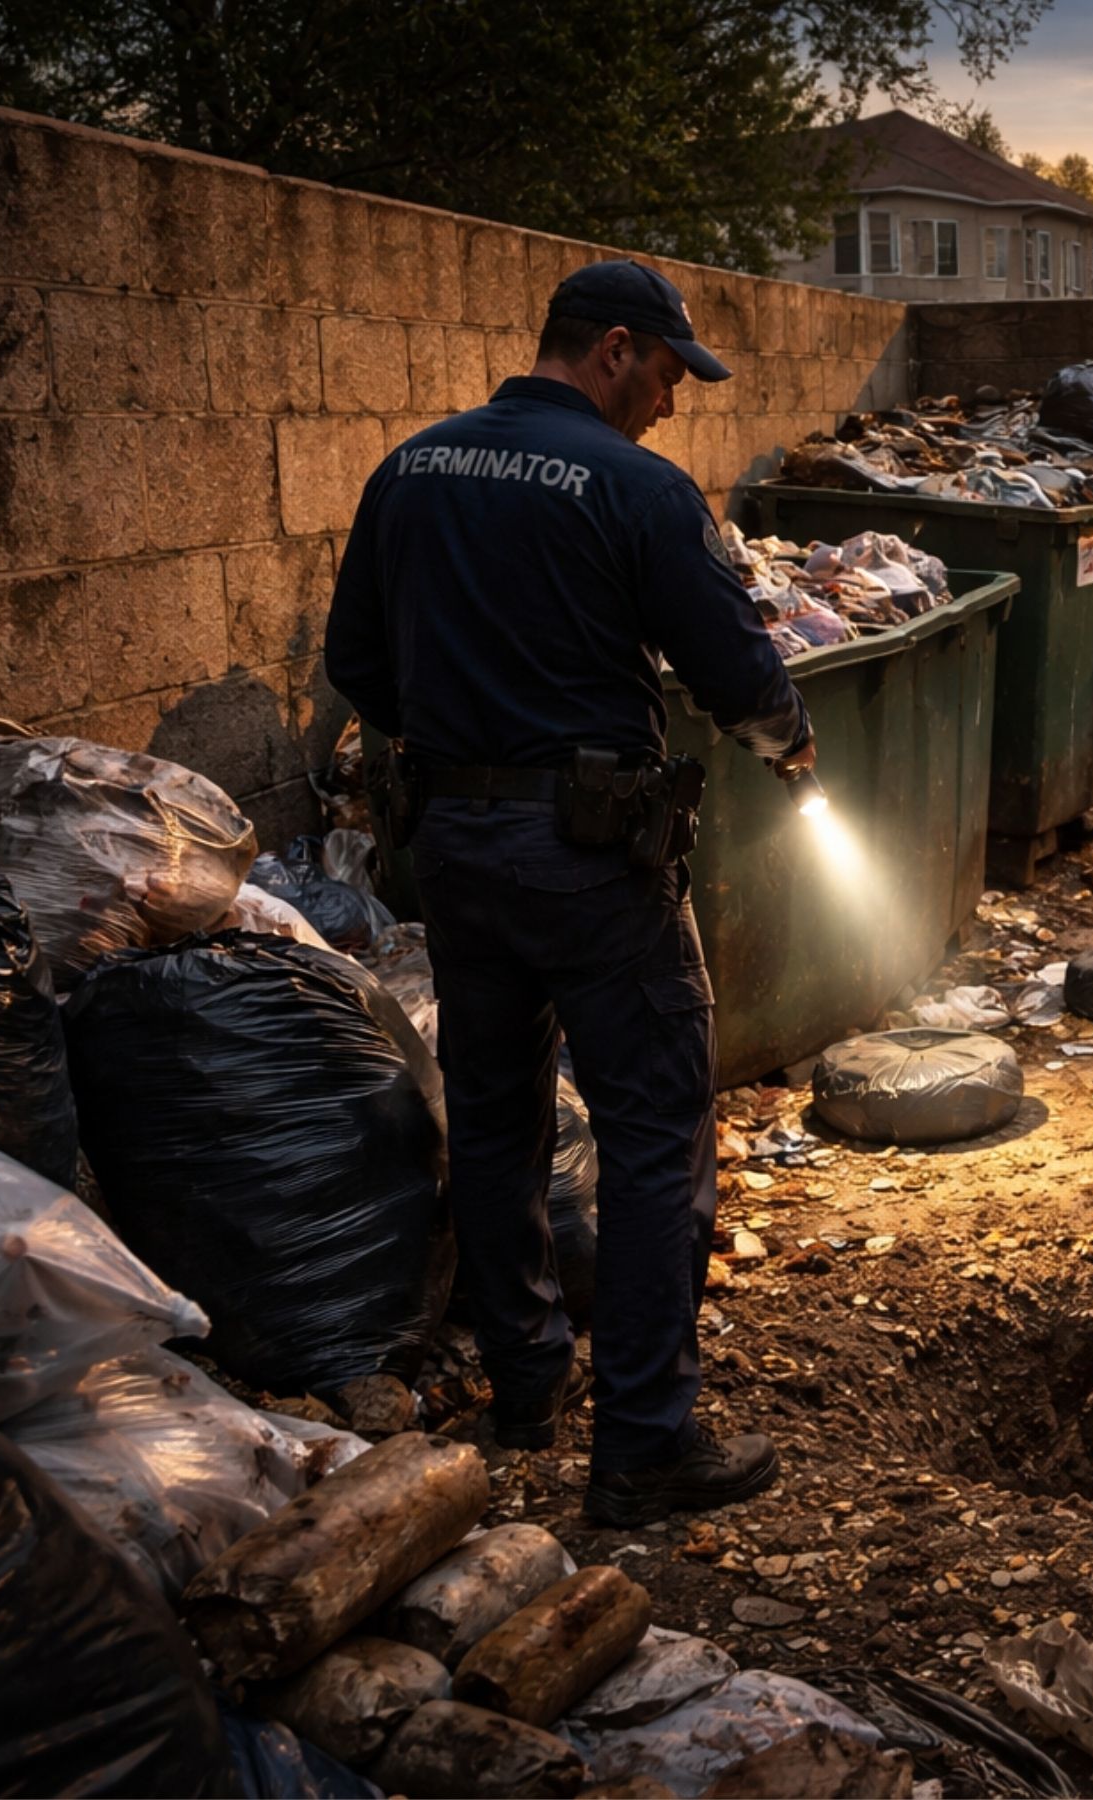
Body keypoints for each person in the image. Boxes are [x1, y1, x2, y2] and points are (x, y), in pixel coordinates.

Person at [324, 259, 816, 1528]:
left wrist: (468, 742)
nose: (670, 405)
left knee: (493, 1118)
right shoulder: (638, 488)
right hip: (594, 860)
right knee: (655, 1132)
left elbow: (356, 666)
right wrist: (789, 744)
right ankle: (646, 1442)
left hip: (457, 849)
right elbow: (738, 672)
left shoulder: (410, 468)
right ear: (611, 348)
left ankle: (529, 1388)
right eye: (665, 374)